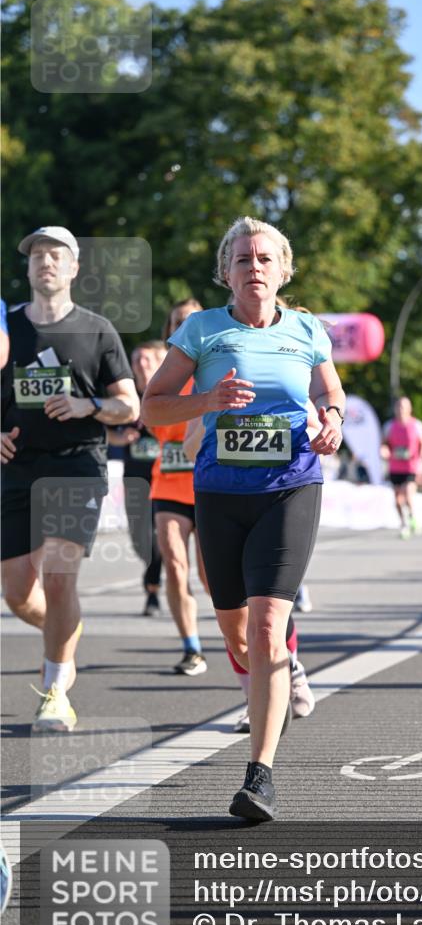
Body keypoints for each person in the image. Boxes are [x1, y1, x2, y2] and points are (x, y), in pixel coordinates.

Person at [141, 216, 344, 821]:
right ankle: (283, 668)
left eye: (264, 259)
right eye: (241, 259)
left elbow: (331, 393)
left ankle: (260, 775)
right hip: (221, 493)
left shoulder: (308, 330)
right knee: (234, 631)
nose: (253, 267)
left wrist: (331, 419)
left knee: (265, 625)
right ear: (226, 273)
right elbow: (154, 407)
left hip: (290, 486)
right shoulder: (201, 330)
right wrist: (208, 400)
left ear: (283, 270)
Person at [1, 225, 139, 731]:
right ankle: (63, 635)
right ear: (29, 267)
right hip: (15, 467)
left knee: (60, 578)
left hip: (75, 465)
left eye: (56, 254)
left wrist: (89, 404)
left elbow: (130, 405)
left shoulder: (97, 330)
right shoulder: (6, 329)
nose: (45, 262)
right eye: (36, 254)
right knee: (18, 593)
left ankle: (56, 688)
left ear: (75, 267)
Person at [181, 410, 316, 729]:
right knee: (234, 609)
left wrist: (328, 428)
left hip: (277, 497)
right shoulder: (208, 377)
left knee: (267, 606)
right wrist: (214, 410)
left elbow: (315, 419)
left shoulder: (282, 370)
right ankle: (274, 682)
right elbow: (189, 449)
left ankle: (273, 687)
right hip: (223, 498)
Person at [146, 301, 209, 676]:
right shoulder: (163, 376)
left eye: (191, 321)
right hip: (168, 484)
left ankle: (240, 639)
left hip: (208, 485)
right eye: (177, 323)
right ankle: (192, 647)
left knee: (211, 576)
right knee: (173, 563)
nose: (185, 326)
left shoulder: (214, 370)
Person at [107, 341, 166, 616]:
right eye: (136, 360)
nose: (141, 365)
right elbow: (101, 427)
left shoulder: (168, 392)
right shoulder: (126, 396)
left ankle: (152, 589)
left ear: (158, 363)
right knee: (140, 539)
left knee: (163, 537)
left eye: (147, 360)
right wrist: (118, 437)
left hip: (166, 478)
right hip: (135, 478)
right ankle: (153, 574)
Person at [381, 396, 422, 539]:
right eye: (398, 407)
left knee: (408, 495)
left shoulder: (417, 425)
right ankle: (404, 523)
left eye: (403, 407)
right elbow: (385, 444)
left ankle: (413, 517)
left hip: (411, 467)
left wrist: (421, 461)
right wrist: (384, 450)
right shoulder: (389, 426)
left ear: (409, 409)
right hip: (395, 467)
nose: (400, 410)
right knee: (397, 500)